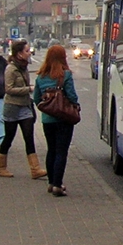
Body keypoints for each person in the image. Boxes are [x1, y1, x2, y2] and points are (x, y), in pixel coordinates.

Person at [0, 40, 47, 180]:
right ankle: (1, 167)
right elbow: (9, 89)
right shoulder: (11, 69)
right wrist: (28, 89)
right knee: (9, 137)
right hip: (12, 107)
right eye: (26, 51)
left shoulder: (24, 67)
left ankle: (35, 169)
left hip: (25, 106)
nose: (29, 53)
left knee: (29, 137)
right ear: (19, 54)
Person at [33, 45, 80, 197]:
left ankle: (51, 182)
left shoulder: (40, 77)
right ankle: (58, 186)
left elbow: (36, 98)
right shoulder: (65, 75)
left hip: (47, 120)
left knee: (51, 150)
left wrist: (48, 108)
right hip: (64, 119)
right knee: (61, 151)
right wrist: (75, 106)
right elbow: (72, 96)